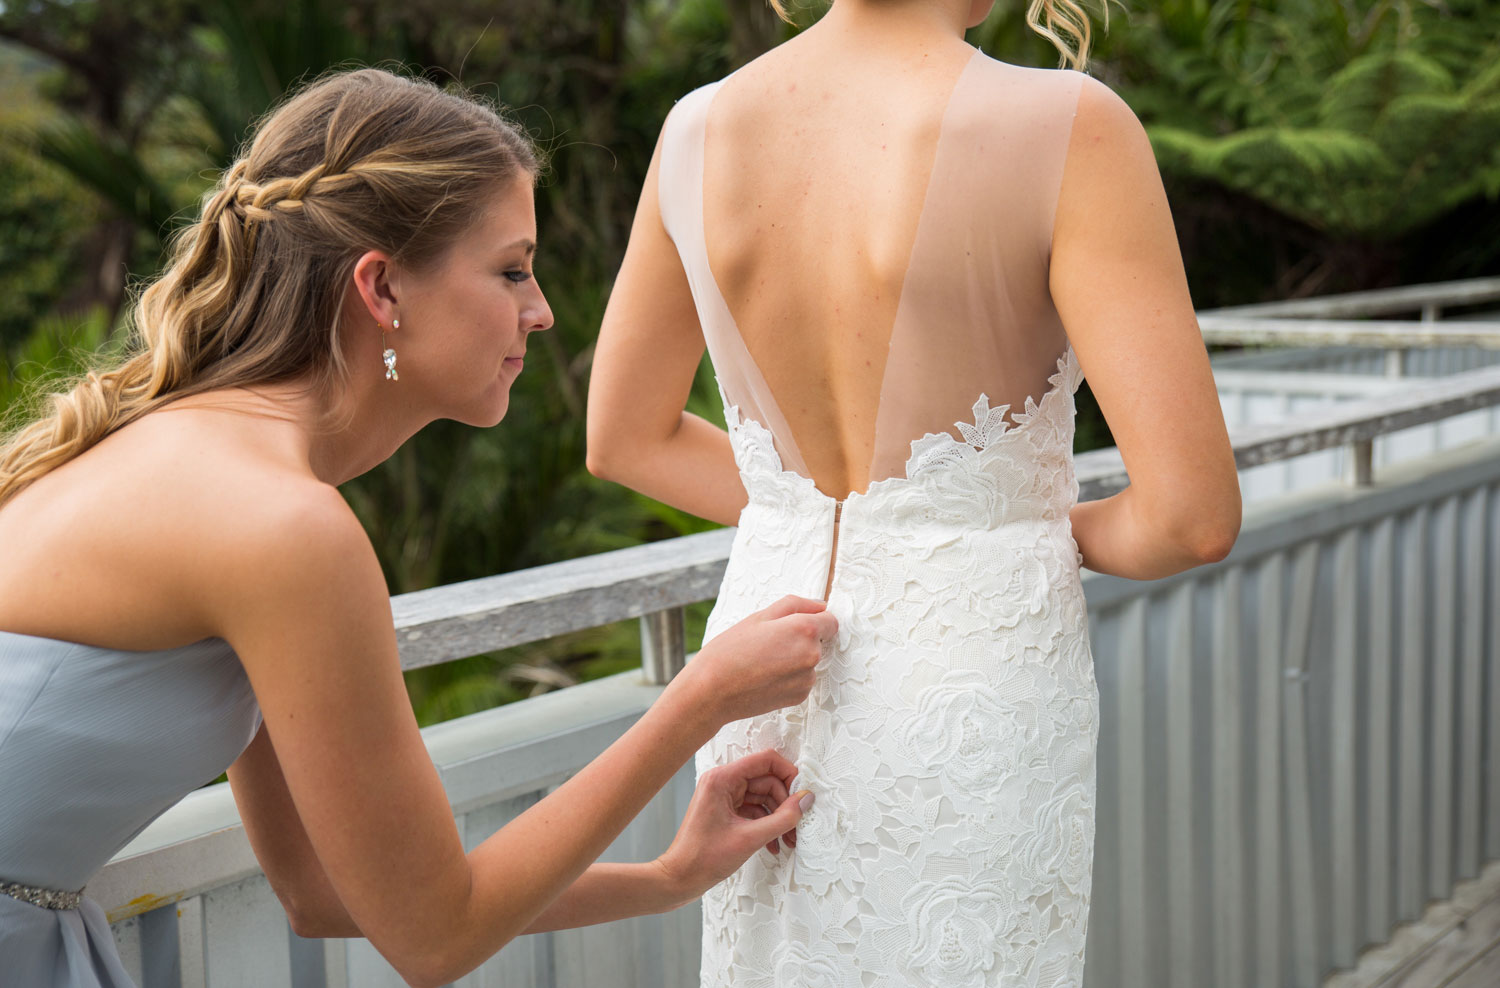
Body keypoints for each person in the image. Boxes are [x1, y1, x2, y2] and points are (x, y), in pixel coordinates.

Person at [0, 68, 840, 988]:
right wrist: (699, 699)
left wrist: (668, 878)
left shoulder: (214, 470)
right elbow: (434, 939)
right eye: (512, 268)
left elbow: (326, 893)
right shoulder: (282, 527)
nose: (543, 309)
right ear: (383, 287)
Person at [586, 0, 1242, 984]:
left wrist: (820, 515)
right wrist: (996, 519)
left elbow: (623, 437)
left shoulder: (696, 129)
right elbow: (1191, 518)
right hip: (968, 676)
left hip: (761, 652)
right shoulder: (1069, 126)